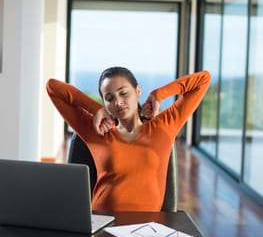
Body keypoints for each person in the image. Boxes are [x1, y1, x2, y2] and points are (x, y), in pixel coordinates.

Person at [46, 67, 211, 212]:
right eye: (109, 98)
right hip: (102, 222)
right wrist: (95, 108)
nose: (117, 102)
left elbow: (203, 79)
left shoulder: (164, 126)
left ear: (138, 91)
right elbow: (53, 87)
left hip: (149, 228)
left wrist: (159, 95)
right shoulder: (97, 132)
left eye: (123, 93)